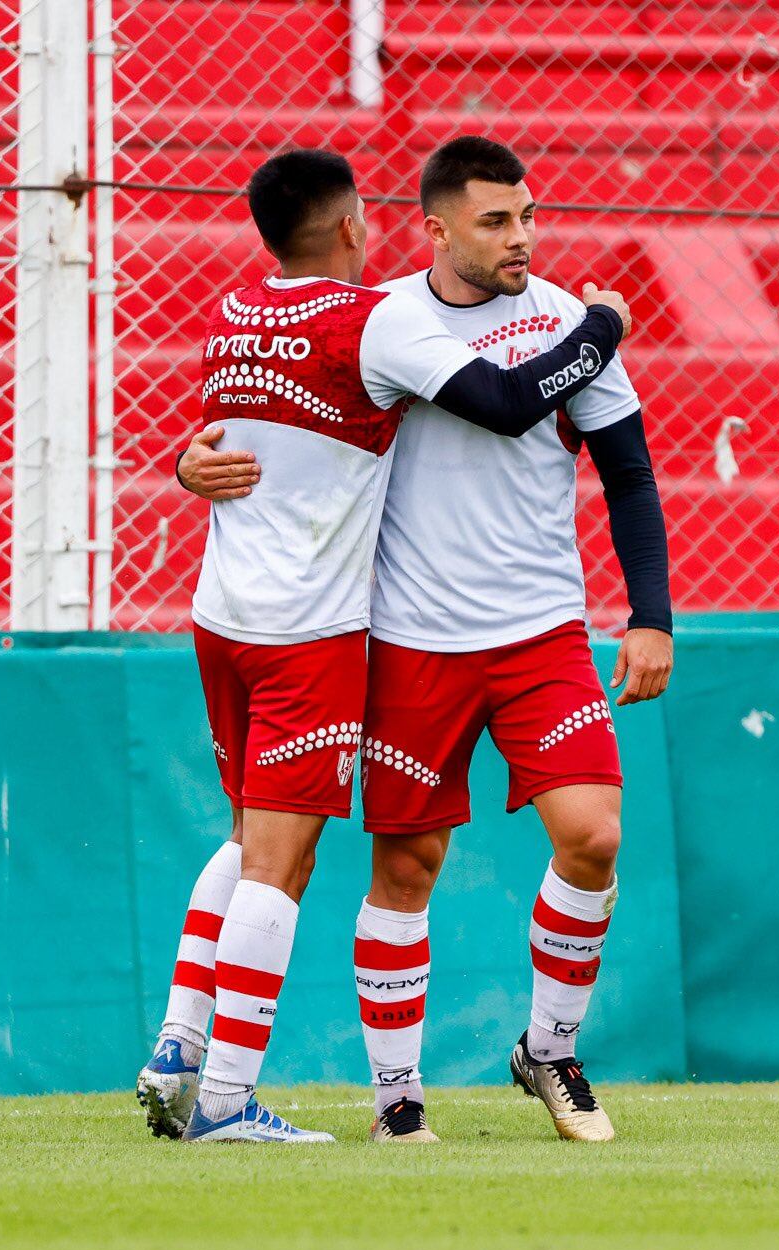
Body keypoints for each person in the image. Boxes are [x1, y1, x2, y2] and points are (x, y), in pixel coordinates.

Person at [137, 146, 636, 1144]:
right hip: (316, 630)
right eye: (496, 219)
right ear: (365, 227)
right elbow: (500, 405)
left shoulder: (234, 317)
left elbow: (226, 435)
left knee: (246, 841)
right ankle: (230, 1102)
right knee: (285, 863)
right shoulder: (381, 322)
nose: (520, 236)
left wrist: (181, 463)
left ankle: (177, 1048)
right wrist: (604, 327)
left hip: (221, 611)